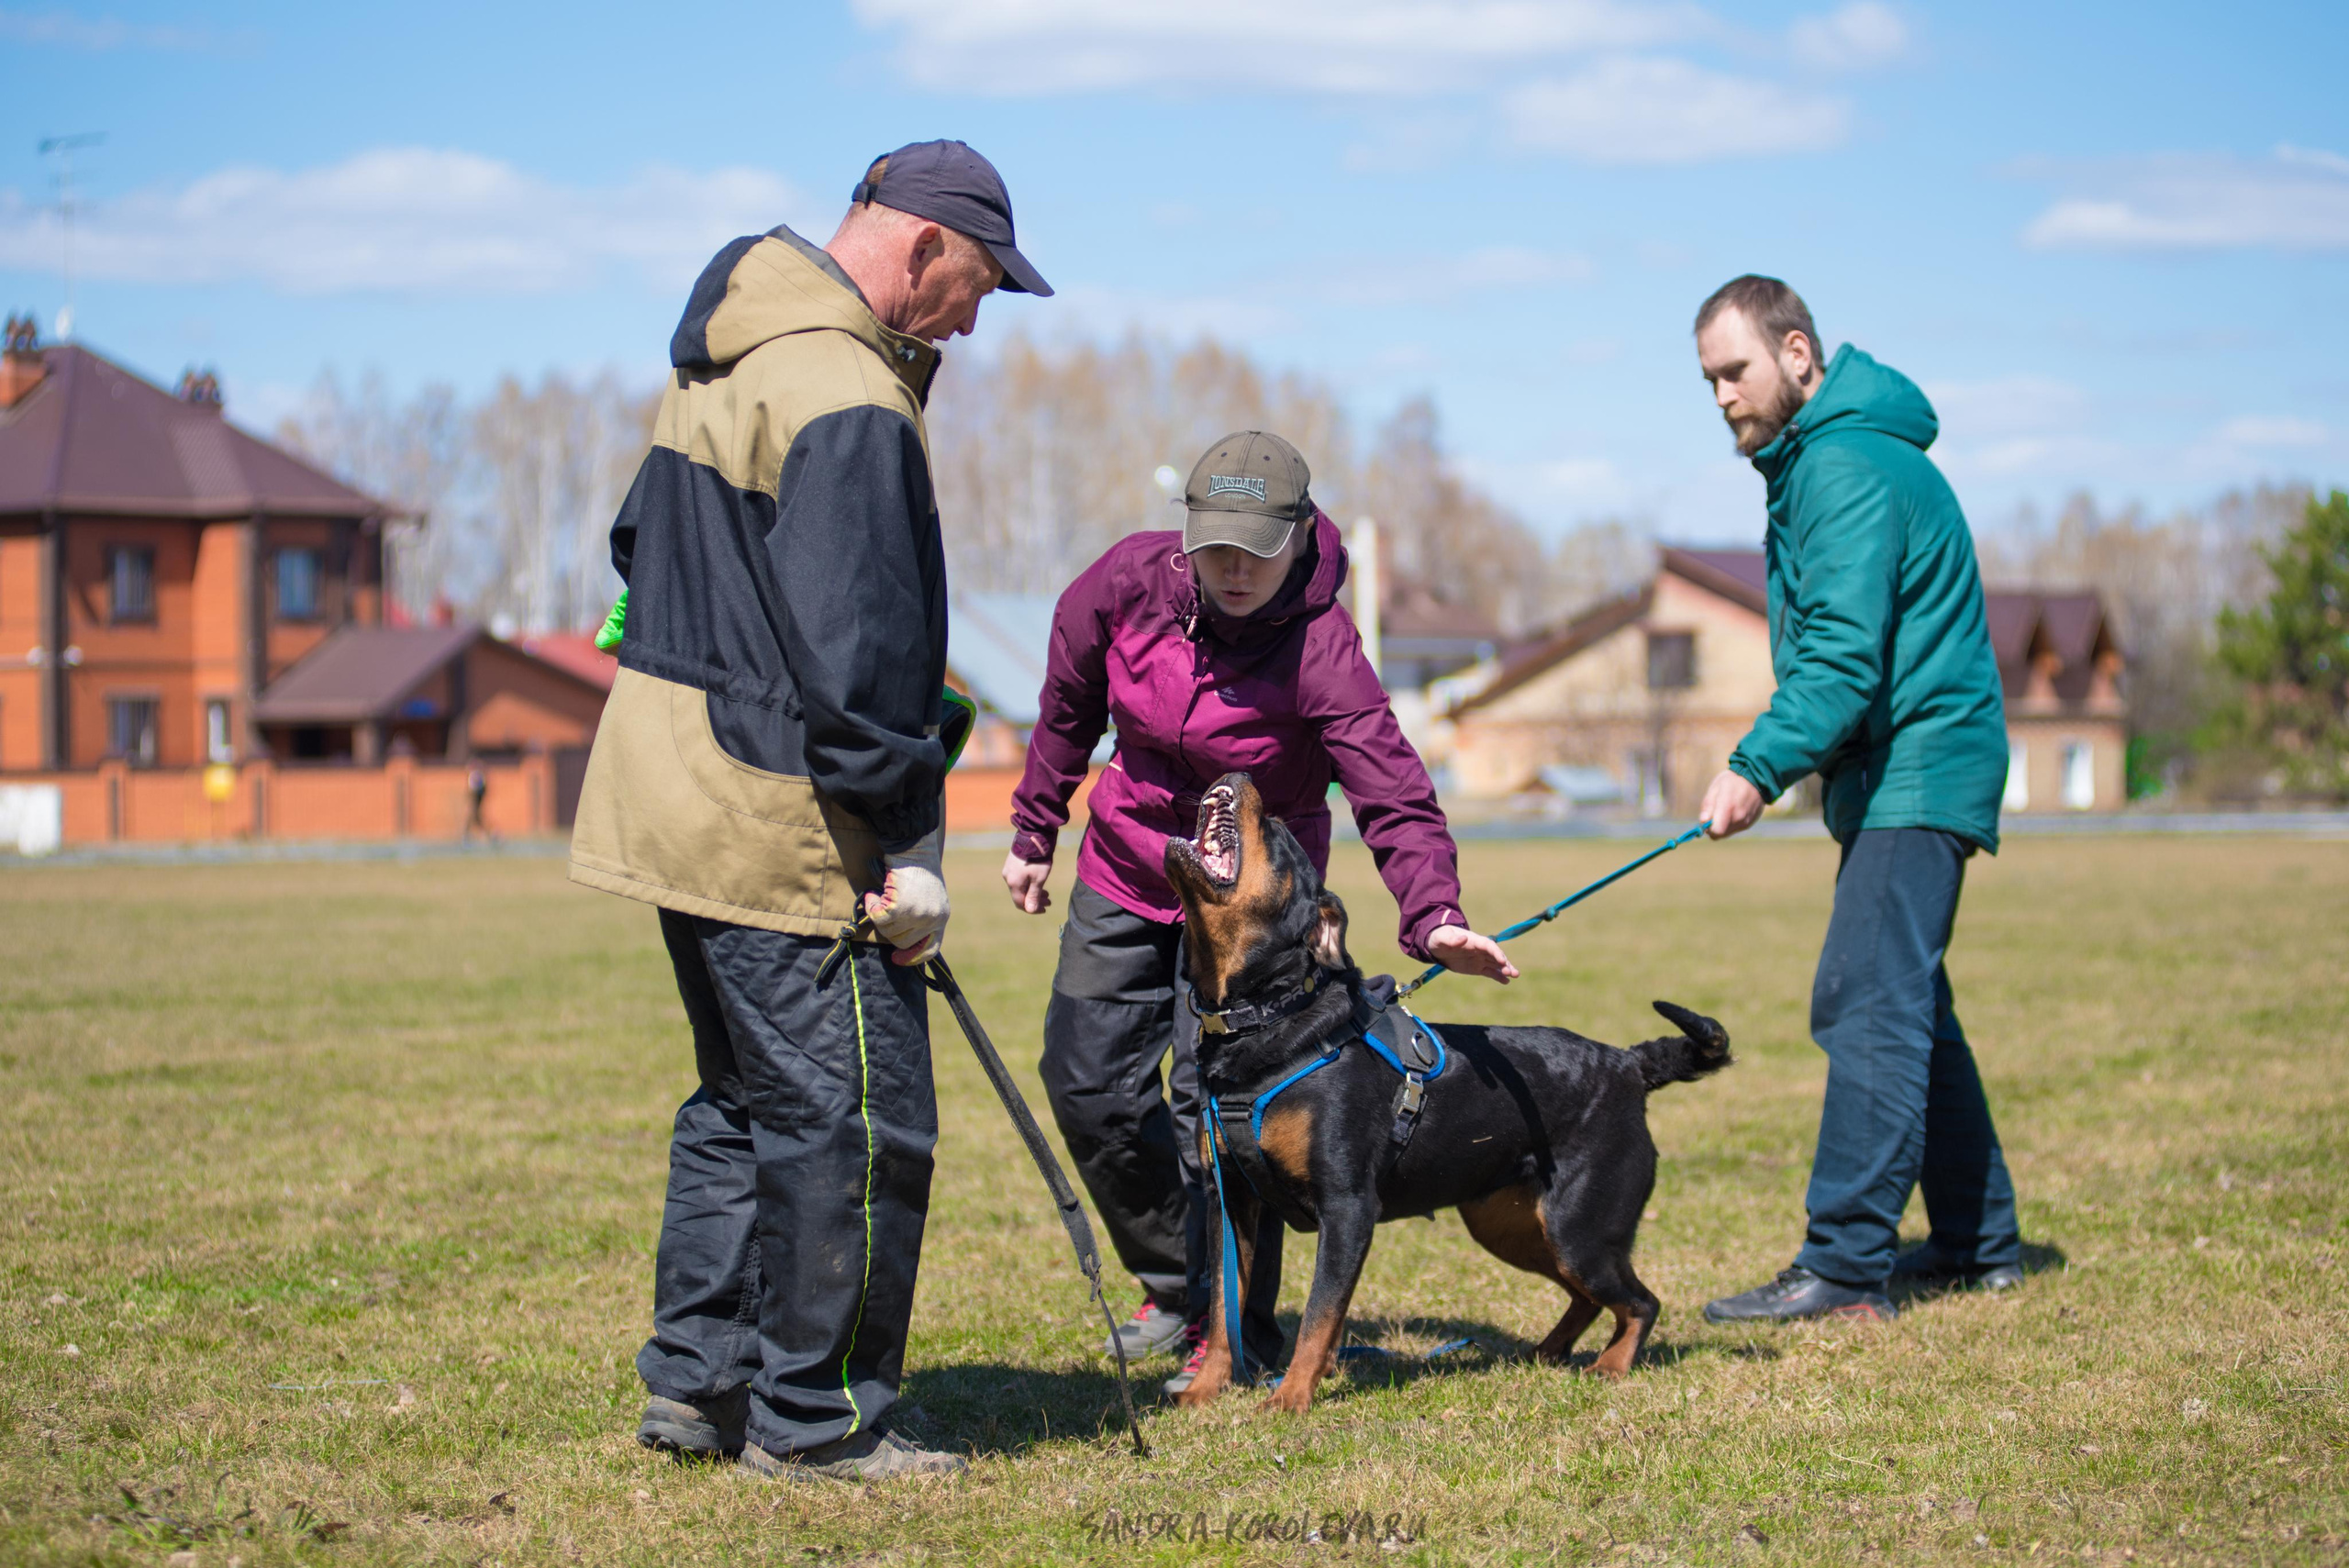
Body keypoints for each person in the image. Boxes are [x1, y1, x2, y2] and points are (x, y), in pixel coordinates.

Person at [568, 140, 1050, 1481]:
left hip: (666, 787)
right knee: (857, 1121)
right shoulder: (848, 392)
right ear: (920, 247)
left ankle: (702, 1386)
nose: (975, 317)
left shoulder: (722, 354)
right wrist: (904, 842)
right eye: (979, 286)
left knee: (743, 1099)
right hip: (778, 815)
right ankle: (819, 1420)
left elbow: (633, 551)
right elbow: (863, 656)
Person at [1003, 430, 1518, 1394]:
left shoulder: (1322, 642)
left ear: (1298, 535)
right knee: (1087, 1086)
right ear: (1185, 534)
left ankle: (1226, 1324)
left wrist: (1432, 909)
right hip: (1130, 865)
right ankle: (1181, 1280)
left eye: (1257, 546)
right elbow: (1066, 705)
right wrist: (1034, 827)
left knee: (1216, 1112)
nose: (1234, 567)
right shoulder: (1120, 586)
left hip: (1250, 910)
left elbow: (1391, 786)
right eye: (1215, 545)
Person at [1687, 275, 2021, 1325]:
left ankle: (1843, 1266)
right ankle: (1980, 1244)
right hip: (1904, 770)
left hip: (1918, 767)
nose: (1723, 396)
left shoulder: (1840, 464)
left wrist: (1752, 765)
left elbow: (1840, 660)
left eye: (1734, 370)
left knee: (1867, 998)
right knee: (1910, 1005)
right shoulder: (1828, 458)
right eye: (1707, 380)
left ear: (1796, 354)